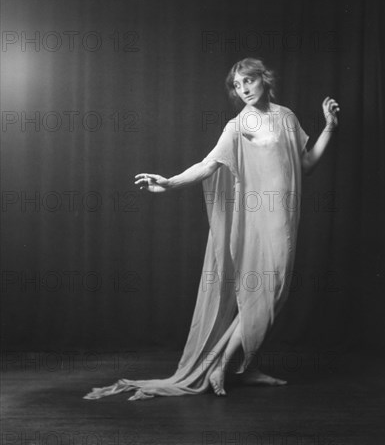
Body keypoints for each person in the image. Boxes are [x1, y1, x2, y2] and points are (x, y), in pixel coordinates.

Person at [84, 58, 339, 401]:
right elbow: (208, 165)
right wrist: (171, 182)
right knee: (266, 291)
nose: (244, 88)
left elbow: (305, 164)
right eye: (238, 85)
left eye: (249, 80)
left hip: (285, 217)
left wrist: (329, 128)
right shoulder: (237, 126)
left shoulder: (286, 117)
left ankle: (246, 369)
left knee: (271, 293)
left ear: (265, 79)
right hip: (256, 221)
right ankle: (221, 364)